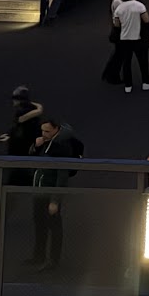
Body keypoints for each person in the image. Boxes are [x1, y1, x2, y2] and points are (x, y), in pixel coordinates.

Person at [30, 115, 84, 269]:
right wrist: (35, 146)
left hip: (50, 191)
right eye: (42, 131)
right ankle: (38, 256)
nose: (44, 134)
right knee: (39, 224)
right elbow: (31, 157)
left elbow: (62, 176)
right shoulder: (45, 142)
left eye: (47, 131)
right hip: (39, 189)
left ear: (56, 129)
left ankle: (53, 261)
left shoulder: (62, 146)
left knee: (54, 227)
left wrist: (55, 200)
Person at [111, 0, 149, 92]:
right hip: (138, 38)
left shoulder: (119, 8)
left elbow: (117, 25)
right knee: (143, 61)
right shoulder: (139, 6)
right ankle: (146, 82)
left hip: (124, 39)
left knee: (126, 63)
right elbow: (146, 20)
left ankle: (128, 86)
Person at [0, 85, 42, 184]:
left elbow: (20, 126)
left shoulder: (23, 113)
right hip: (28, 156)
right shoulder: (32, 113)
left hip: (21, 156)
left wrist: (10, 137)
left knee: (15, 184)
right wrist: (9, 135)